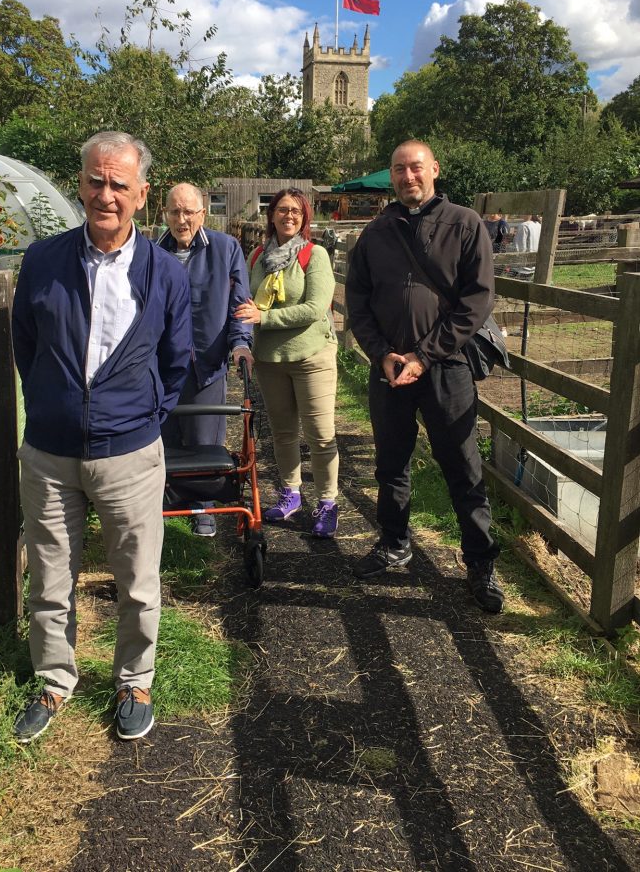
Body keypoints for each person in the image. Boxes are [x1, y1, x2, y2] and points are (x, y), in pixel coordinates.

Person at [11, 131, 192, 743]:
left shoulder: (163, 271)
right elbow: (25, 345)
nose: (105, 195)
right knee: (49, 574)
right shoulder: (42, 260)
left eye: (119, 184)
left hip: (130, 453)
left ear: (143, 195)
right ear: (80, 183)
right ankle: (54, 680)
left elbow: (176, 358)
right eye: (95, 181)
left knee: (138, 578)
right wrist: (49, 405)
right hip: (49, 452)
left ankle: (134, 679)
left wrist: (140, 416)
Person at [345, 140, 504, 613]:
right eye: (399, 170)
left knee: (462, 467)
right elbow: (359, 303)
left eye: (415, 167)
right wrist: (382, 356)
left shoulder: (465, 225)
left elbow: (477, 302)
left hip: (445, 367)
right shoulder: (375, 233)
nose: (407, 177)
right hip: (390, 370)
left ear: (434, 168)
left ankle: (479, 562)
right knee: (391, 464)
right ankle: (394, 542)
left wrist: (424, 355)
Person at [234, 188, 339, 538]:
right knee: (282, 432)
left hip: (311, 358)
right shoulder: (257, 257)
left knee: (321, 436)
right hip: (270, 360)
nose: (288, 216)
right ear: (272, 215)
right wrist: (244, 340)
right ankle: (291, 493)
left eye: (295, 210)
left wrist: (264, 318)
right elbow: (245, 303)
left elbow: (315, 308)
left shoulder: (315, 255)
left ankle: (327, 501)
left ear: (304, 216)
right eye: (282, 210)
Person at [157, 183, 253, 536]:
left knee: (204, 436)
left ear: (202, 213)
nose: (181, 220)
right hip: (164, 363)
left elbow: (240, 306)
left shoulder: (225, 249)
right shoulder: (154, 252)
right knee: (165, 436)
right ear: (164, 213)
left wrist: (241, 343)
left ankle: (203, 508)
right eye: (174, 212)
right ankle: (169, 501)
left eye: (188, 212)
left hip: (206, 362)